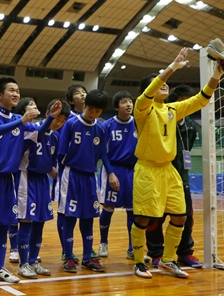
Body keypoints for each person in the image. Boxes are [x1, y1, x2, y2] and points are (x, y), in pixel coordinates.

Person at [131, 46, 223, 279]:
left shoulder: (172, 109)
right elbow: (149, 92)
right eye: (157, 83)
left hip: (168, 170)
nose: (163, 84)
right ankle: (140, 262)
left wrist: (216, 76)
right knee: (143, 218)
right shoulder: (142, 109)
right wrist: (171, 67)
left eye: (164, 82)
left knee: (180, 215)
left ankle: (168, 260)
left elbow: (201, 100)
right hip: (147, 169)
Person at [0, 77, 56, 287]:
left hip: (10, 179)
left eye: (18, 91)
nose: (16, 94)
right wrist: (21, 121)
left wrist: (49, 119)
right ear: (0, 94)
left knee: (3, 225)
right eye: (11, 90)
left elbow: (39, 132)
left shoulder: (21, 119)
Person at [145, 85, 203, 269]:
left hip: (182, 178)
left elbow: (188, 148)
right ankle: (156, 253)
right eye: (182, 101)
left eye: (188, 101)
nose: (186, 104)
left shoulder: (191, 127)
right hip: (160, 177)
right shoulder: (162, 120)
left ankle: (185, 252)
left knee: (186, 217)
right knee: (155, 217)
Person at [57, 89, 113, 273]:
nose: (93, 113)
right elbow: (61, 152)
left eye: (98, 111)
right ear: (85, 105)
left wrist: (111, 172)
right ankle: (68, 256)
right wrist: (68, 167)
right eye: (91, 109)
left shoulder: (102, 128)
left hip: (90, 177)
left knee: (88, 218)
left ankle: (88, 256)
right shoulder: (71, 124)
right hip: (72, 175)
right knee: (70, 217)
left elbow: (103, 153)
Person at [15, 98, 67, 278]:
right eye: (56, 118)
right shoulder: (31, 128)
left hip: (43, 182)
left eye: (62, 121)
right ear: (48, 113)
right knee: (27, 222)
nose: (58, 123)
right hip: (27, 178)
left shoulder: (56, 136)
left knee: (40, 223)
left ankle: (32, 260)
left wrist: (54, 170)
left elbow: (52, 162)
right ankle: (23, 264)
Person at [97, 91, 143, 261]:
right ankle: (103, 242)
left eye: (130, 101)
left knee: (133, 210)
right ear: (117, 107)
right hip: (113, 169)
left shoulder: (139, 123)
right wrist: (110, 174)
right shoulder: (108, 125)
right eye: (124, 102)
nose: (129, 104)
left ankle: (132, 248)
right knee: (108, 207)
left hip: (133, 170)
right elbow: (103, 153)